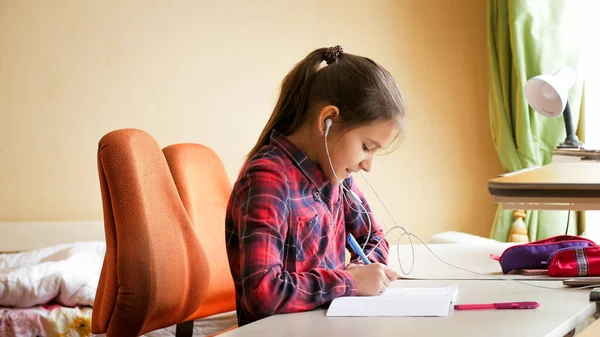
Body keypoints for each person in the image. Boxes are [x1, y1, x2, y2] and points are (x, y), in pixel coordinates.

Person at [225, 45, 406, 326]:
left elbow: (375, 236)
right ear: (327, 120)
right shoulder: (267, 180)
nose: (368, 165)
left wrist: (364, 269)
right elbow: (262, 292)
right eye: (366, 147)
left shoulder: (337, 178)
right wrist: (348, 281)